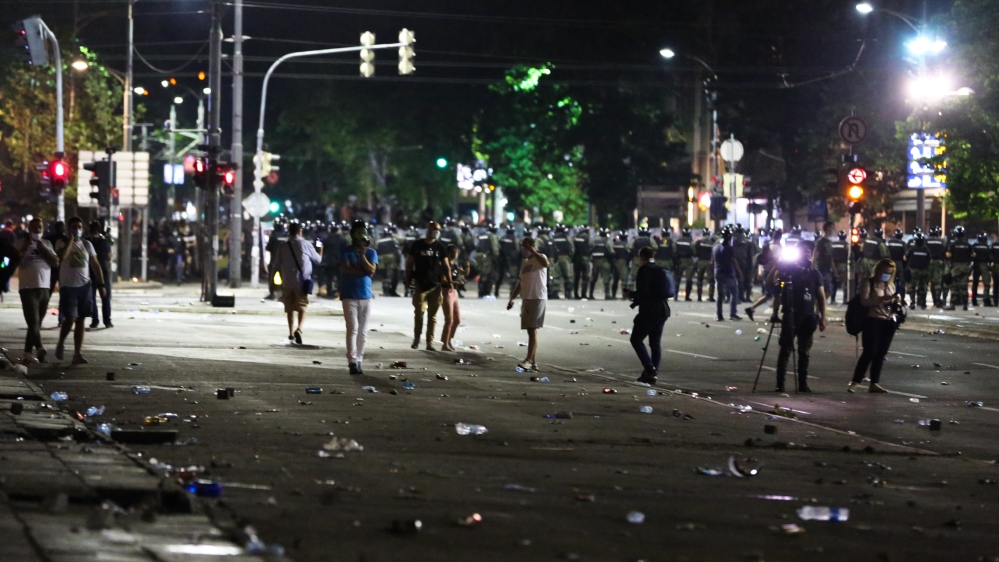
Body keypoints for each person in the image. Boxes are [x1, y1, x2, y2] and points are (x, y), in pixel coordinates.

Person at [771, 242, 827, 393]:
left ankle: (803, 383)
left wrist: (822, 317)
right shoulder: (788, 271)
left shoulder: (815, 273)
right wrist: (779, 270)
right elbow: (776, 284)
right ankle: (780, 384)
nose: (806, 254)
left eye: (808, 251)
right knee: (786, 349)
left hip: (808, 316)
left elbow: (821, 297)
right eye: (803, 251)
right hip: (790, 314)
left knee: (804, 351)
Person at [55, 217, 107, 364]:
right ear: (68, 229)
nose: (77, 229)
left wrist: (101, 285)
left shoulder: (87, 244)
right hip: (68, 287)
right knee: (70, 318)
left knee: (81, 320)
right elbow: (61, 256)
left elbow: (95, 265)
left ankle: (77, 353)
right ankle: (61, 343)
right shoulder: (62, 243)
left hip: (84, 286)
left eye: (79, 226)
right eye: (73, 227)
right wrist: (70, 240)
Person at [849, 258, 903, 393]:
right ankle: (855, 381)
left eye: (890, 273)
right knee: (869, 352)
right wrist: (881, 299)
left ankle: (874, 382)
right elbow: (864, 302)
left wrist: (896, 301)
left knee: (881, 353)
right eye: (885, 272)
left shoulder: (890, 285)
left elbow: (892, 301)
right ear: (879, 270)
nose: (887, 275)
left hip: (888, 321)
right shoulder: (869, 283)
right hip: (872, 321)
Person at [15, 218, 59, 364]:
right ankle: (39, 347)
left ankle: (28, 352)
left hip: (44, 287)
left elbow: (55, 262)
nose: (37, 230)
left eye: (39, 227)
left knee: (36, 323)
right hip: (28, 288)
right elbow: (15, 259)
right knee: (33, 321)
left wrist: (42, 248)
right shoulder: (22, 243)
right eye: (33, 228)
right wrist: (24, 249)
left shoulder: (46, 243)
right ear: (29, 229)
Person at [273, 221, 322, 345]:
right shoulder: (306, 244)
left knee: (289, 309)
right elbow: (318, 260)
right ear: (300, 232)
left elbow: (276, 265)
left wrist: (273, 283)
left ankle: (290, 334)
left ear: (289, 232)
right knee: (302, 307)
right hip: (301, 282)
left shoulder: (283, 246)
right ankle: (299, 329)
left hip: (287, 282)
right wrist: (320, 248)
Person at [339, 220, 378, 374]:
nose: (362, 234)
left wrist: (362, 257)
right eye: (359, 231)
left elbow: (372, 270)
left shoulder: (371, 252)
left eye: (364, 231)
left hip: (366, 296)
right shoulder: (346, 251)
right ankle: (351, 360)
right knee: (352, 328)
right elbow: (346, 270)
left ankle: (359, 360)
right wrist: (364, 271)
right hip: (349, 295)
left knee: (363, 330)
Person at [506, 236, 549, 372]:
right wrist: (512, 298)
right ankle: (533, 363)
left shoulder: (539, 257)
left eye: (525, 246)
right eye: (523, 247)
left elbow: (546, 263)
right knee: (530, 330)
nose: (523, 249)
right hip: (527, 298)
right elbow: (521, 282)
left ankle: (529, 360)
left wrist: (534, 251)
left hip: (537, 297)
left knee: (532, 329)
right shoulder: (525, 263)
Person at [629, 246, 671, 386]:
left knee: (636, 339)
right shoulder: (660, 269)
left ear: (642, 258)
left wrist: (631, 295)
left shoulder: (644, 270)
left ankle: (649, 368)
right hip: (663, 310)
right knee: (655, 343)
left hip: (650, 311)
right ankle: (653, 373)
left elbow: (644, 293)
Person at [406, 221, 450, 350]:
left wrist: (450, 282)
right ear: (429, 229)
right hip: (420, 284)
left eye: (439, 229)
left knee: (432, 316)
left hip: (436, 285)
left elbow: (446, 266)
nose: (437, 231)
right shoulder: (417, 245)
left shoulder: (440, 247)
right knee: (419, 313)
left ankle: (429, 342)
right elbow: (409, 263)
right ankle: (417, 338)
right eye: (435, 229)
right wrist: (408, 280)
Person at [712, 227, 743, 321]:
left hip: (718, 272)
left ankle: (719, 315)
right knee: (734, 293)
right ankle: (733, 313)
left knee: (720, 295)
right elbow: (733, 261)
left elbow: (713, 260)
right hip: (728, 273)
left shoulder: (715, 247)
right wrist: (739, 272)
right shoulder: (729, 248)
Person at [440, 244, 468, 351]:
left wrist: (467, 267)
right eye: (455, 252)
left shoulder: (455, 265)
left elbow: (465, 273)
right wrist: (455, 281)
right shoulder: (446, 265)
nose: (456, 255)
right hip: (446, 291)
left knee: (457, 319)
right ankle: (445, 343)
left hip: (454, 292)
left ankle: (449, 339)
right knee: (449, 319)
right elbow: (443, 279)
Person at [87, 221, 113, 329]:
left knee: (91, 297)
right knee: (105, 297)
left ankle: (95, 320)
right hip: (103, 271)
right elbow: (109, 256)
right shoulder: (104, 241)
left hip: (90, 271)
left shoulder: (87, 241)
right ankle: (107, 321)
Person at [694, 228, 715, 302]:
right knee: (711, 280)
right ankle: (711, 296)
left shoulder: (699, 242)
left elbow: (695, 252)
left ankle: (699, 297)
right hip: (709, 262)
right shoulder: (712, 243)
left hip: (700, 261)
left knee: (699, 279)